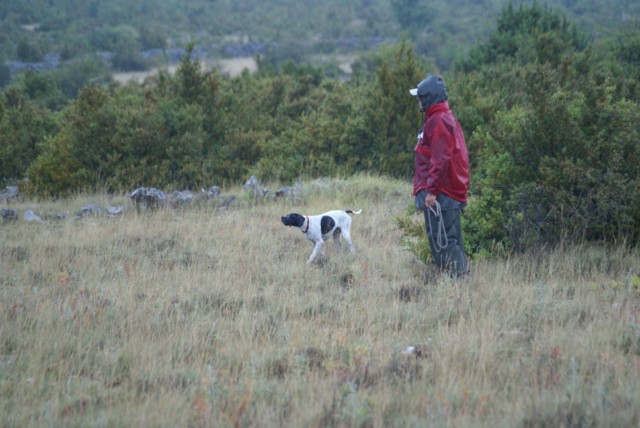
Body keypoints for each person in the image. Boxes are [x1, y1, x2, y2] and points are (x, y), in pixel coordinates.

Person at [409, 75, 470, 278]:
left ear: (429, 98)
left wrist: (432, 192)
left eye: (420, 97)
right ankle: (458, 280)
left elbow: (440, 159)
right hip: (445, 191)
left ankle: (458, 282)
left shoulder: (439, 120)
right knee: (448, 238)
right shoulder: (438, 118)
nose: (418, 101)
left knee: (444, 241)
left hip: (442, 193)